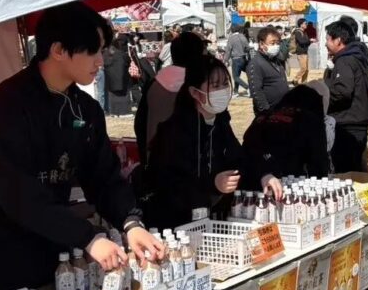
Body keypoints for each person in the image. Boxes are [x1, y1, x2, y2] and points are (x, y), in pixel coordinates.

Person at [0, 2, 164, 290]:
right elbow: (18, 196)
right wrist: (88, 237)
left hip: (49, 252)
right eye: (93, 51)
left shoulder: (85, 109)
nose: (101, 61)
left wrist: (131, 223)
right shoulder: (6, 107)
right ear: (58, 50)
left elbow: (104, 176)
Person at [146, 56, 282, 228]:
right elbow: (170, 182)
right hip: (177, 223)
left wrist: (264, 174)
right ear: (195, 92)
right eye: (215, 86)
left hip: (212, 217)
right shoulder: (174, 131)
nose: (222, 91)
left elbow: (239, 159)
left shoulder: (220, 122)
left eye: (225, 84)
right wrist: (213, 183)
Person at [134, 31, 206, 164]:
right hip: (192, 163)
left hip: (157, 160)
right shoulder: (199, 85)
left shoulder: (154, 83)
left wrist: (146, 159)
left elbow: (140, 124)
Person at [243, 83, 332, 179]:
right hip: (284, 180)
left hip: (248, 176)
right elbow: (319, 164)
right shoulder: (310, 120)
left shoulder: (263, 116)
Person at [325, 20, 368, 172]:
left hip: (348, 123)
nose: (326, 44)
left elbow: (342, 92)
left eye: (328, 39)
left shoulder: (345, 60)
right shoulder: (358, 56)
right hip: (357, 119)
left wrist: (322, 96)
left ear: (338, 40)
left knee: (346, 171)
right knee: (355, 169)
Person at [248, 26, 290, 116]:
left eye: (277, 43)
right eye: (272, 43)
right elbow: (256, 91)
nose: (276, 46)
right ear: (261, 44)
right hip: (269, 112)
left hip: (283, 109)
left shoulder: (276, 59)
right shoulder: (256, 63)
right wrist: (265, 111)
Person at [104, 35, 132, 117]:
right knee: (123, 95)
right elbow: (128, 61)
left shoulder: (105, 53)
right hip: (122, 77)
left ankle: (114, 112)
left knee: (113, 96)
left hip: (110, 78)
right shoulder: (121, 53)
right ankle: (124, 112)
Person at [224, 25, 250, 97]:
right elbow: (248, 48)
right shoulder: (243, 36)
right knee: (238, 75)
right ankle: (236, 92)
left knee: (235, 77)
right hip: (243, 59)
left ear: (232, 30)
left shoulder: (231, 38)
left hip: (236, 59)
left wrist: (225, 60)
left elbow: (228, 50)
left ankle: (247, 88)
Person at [291, 18, 312, 85]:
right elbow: (301, 41)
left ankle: (304, 82)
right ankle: (295, 79)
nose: (306, 25)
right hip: (301, 53)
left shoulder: (304, 32)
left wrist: (309, 41)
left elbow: (306, 43)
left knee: (306, 69)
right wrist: (309, 40)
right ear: (301, 24)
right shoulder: (298, 32)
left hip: (305, 52)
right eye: (305, 23)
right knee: (303, 68)